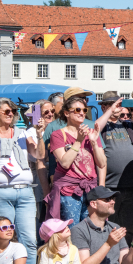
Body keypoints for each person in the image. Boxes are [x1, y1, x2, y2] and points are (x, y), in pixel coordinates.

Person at [0, 98, 38, 264]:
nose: (11, 114)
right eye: (6, 111)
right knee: (2, 239)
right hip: (0, 195)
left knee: (29, 240)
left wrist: (40, 136)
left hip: (25, 194)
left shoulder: (23, 134)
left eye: (13, 111)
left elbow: (38, 155)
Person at [94, 93, 133, 237]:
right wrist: (110, 110)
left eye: (119, 104)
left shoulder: (128, 125)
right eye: (113, 104)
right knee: (109, 227)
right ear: (103, 107)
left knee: (130, 227)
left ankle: (127, 257)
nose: (117, 108)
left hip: (131, 186)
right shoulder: (102, 124)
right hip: (110, 186)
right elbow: (95, 130)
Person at [49, 96, 107, 224]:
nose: (82, 113)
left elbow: (102, 163)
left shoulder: (91, 133)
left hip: (90, 189)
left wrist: (93, 142)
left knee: (91, 228)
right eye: (77, 110)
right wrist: (79, 141)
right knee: (72, 229)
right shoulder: (58, 135)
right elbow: (64, 163)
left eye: (84, 110)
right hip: (69, 190)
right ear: (66, 113)